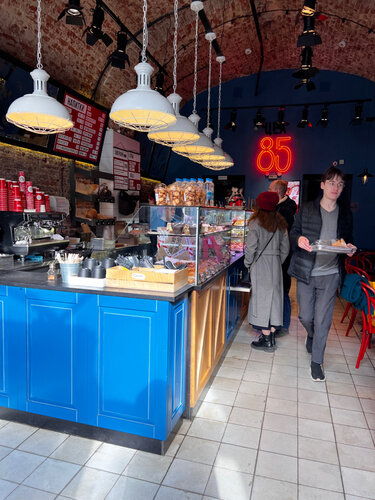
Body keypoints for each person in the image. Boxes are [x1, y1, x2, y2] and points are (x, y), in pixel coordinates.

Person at [288, 166, 356, 381]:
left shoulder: (345, 214)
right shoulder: (306, 209)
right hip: (307, 270)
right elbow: (293, 233)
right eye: (332, 183)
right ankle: (311, 334)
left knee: (324, 319)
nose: (335, 187)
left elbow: (345, 240)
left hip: (330, 273)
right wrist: (298, 240)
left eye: (340, 184)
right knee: (305, 316)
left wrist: (349, 248)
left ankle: (317, 361)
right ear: (323, 185)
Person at [245, 191, 290, 351]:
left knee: (261, 299)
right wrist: (277, 261)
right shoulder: (281, 223)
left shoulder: (255, 222)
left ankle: (266, 339)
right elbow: (286, 249)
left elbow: (250, 248)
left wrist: (248, 263)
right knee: (274, 300)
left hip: (260, 263)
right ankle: (271, 336)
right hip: (276, 264)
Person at [269, 180, 297, 337]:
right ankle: (279, 323)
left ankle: (283, 325)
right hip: (280, 256)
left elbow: (280, 235)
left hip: (282, 257)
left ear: (277, 192)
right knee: (280, 290)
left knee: (283, 290)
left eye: (270, 189)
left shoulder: (284, 210)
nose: (268, 191)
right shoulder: (284, 207)